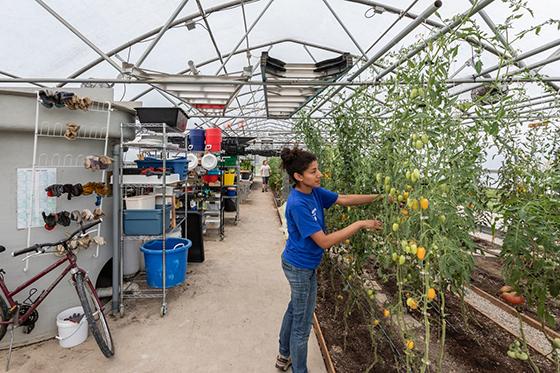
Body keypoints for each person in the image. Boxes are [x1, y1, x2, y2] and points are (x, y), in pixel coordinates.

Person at [275, 147, 385, 373]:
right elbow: (324, 242)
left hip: (303, 264)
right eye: (314, 171)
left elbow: (344, 199)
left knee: (295, 308)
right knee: (302, 326)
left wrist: (380, 197)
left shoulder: (313, 192)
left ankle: (283, 355)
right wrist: (360, 224)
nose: (319, 174)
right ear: (298, 177)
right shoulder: (298, 204)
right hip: (299, 266)